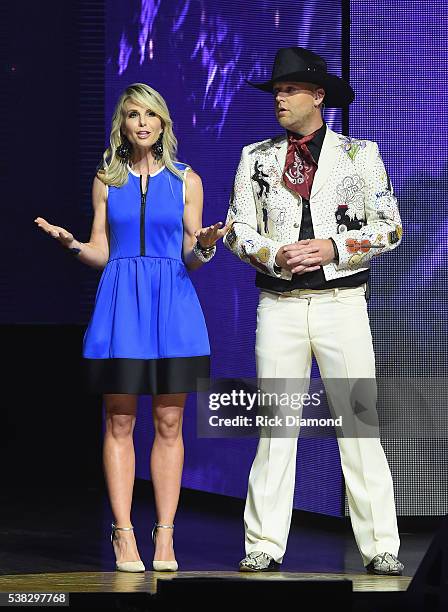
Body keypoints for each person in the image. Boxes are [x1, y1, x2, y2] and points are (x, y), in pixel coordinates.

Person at [224, 48, 405, 575]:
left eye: (289, 90)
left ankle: (380, 546)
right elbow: (237, 228)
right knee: (275, 427)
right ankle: (263, 543)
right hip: (278, 304)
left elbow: (390, 227)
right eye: (276, 91)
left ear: (317, 96)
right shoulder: (256, 156)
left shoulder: (359, 155)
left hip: (341, 303)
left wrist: (334, 247)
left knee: (358, 424)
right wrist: (271, 253)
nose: (279, 98)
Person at [35, 83, 227, 572]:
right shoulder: (106, 179)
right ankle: (123, 534)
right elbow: (102, 252)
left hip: (174, 308)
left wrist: (205, 245)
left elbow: (192, 254)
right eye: (132, 115)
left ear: (163, 123)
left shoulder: (187, 180)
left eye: (151, 115)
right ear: (122, 125)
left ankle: (164, 536)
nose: (142, 122)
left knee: (170, 423)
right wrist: (72, 244)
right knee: (120, 422)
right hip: (121, 307)